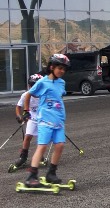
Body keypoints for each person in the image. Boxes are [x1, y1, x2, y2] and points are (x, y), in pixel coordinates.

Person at [22, 54, 70, 187]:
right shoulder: (42, 82)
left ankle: (51, 173)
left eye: (64, 69)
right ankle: (31, 176)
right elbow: (28, 95)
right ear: (51, 67)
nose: (62, 71)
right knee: (42, 146)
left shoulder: (62, 83)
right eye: (60, 68)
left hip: (59, 120)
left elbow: (58, 97)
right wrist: (26, 111)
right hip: (44, 120)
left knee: (60, 145)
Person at [13, 74, 44, 170]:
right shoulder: (25, 95)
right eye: (32, 86)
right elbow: (18, 107)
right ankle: (23, 157)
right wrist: (19, 117)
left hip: (43, 119)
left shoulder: (44, 96)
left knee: (41, 139)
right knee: (27, 137)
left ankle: (40, 156)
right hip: (31, 118)